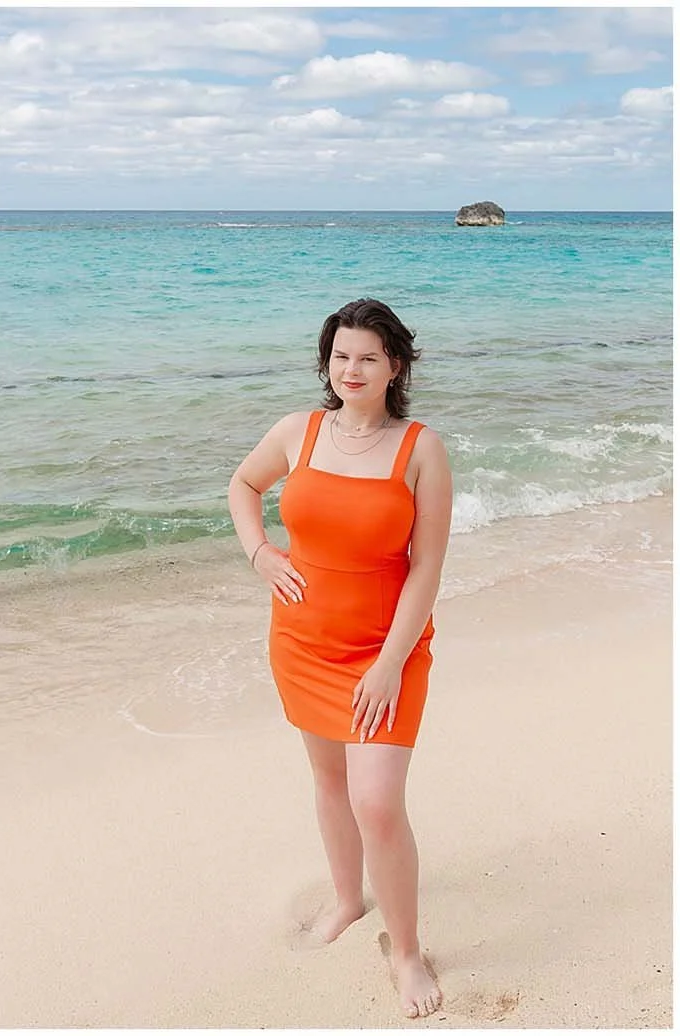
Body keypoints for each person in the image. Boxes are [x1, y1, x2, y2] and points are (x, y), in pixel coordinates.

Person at [226, 297, 451, 1019]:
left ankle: (407, 952)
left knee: (376, 802)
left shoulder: (421, 448)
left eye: (368, 358)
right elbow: (243, 485)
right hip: (302, 640)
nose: (351, 369)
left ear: (396, 366)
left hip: (387, 648)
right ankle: (350, 899)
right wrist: (260, 553)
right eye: (340, 356)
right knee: (329, 779)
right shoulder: (298, 431)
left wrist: (389, 662)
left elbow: (426, 567)